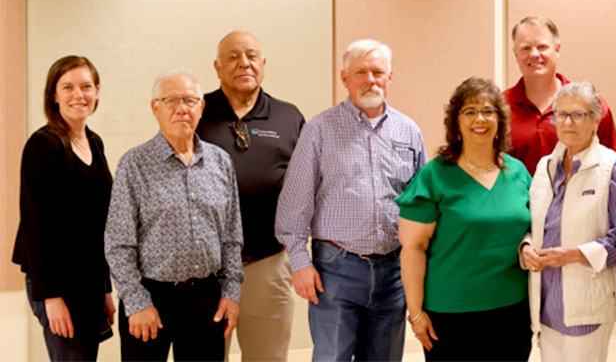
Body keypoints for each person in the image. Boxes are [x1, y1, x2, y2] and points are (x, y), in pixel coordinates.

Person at [276, 39, 427, 361]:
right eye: (361, 72)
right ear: (345, 78)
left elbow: (422, 205)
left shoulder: (409, 131)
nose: (370, 80)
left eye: (377, 72)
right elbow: (294, 203)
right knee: (332, 357)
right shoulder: (319, 129)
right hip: (336, 269)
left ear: (389, 77)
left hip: (393, 270)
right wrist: (300, 265)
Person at [104, 70, 244, 361]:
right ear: (155, 108)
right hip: (149, 299)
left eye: (190, 100)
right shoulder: (135, 164)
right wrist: (137, 301)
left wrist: (231, 293)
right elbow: (118, 243)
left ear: (201, 107)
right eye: (171, 101)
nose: (182, 108)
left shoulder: (220, 162)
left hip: (207, 299)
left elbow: (232, 236)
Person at [397, 77, 532, 361]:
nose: (479, 119)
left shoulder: (518, 172)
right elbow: (412, 249)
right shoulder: (434, 176)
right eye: (469, 111)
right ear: (455, 122)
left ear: (500, 120)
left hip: (512, 312)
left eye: (487, 111)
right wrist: (416, 312)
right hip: (450, 316)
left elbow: (534, 231)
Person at [196, 30, 303, 361]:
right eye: (232, 57)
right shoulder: (195, 112)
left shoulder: (289, 118)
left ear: (263, 64)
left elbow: (310, 187)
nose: (244, 63)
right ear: (217, 66)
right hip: (206, 271)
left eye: (252, 56)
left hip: (267, 264)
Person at [520, 82, 616, 362]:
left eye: (578, 115)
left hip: (587, 302)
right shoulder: (544, 166)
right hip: (546, 301)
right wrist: (525, 248)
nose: (568, 122)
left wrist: (574, 254)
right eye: (561, 114)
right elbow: (531, 223)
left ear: (596, 120)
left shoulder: (613, 168)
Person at [12, 55, 115, 361]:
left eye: (86, 86)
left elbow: (99, 224)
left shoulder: (94, 142)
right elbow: (35, 224)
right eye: (67, 87)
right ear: (54, 95)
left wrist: (105, 289)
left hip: (89, 280)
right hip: (56, 281)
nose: (78, 95)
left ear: (96, 91)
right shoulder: (42, 145)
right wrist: (51, 297)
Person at [505, 16, 616, 175]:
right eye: (525, 48)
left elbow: (613, 169)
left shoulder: (592, 106)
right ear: (516, 55)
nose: (534, 54)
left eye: (542, 47)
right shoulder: (499, 108)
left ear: (557, 50)